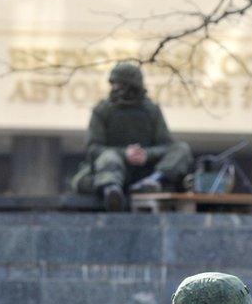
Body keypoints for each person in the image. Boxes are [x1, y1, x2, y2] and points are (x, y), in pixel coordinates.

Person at [71, 61, 194, 211]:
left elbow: (166, 145)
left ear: (132, 86)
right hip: (110, 170)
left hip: (145, 171)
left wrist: (146, 155)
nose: (115, 89)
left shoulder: (151, 110)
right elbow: (93, 149)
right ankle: (111, 191)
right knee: (108, 157)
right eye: (114, 84)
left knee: (181, 149)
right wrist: (124, 154)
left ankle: (153, 183)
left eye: (120, 84)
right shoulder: (102, 110)